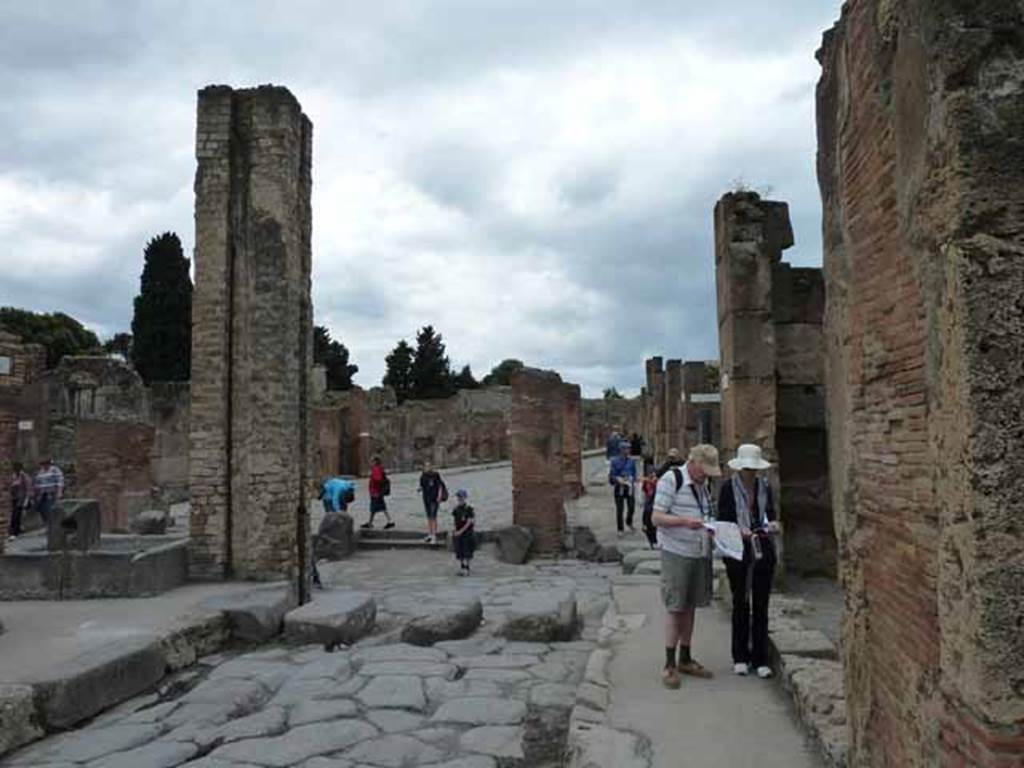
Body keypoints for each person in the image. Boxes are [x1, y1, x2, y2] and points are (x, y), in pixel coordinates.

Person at [652, 443, 721, 689]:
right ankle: (669, 664)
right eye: (705, 470)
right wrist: (684, 522)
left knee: (691, 606)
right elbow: (656, 517)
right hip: (676, 552)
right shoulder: (672, 480)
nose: (706, 476)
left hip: (699, 552)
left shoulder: (703, 485)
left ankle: (686, 657)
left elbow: (707, 514)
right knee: (675, 607)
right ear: (693, 463)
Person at [716, 443, 780, 679]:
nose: (750, 473)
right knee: (741, 602)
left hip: (762, 547)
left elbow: (771, 514)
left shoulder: (765, 487)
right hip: (738, 550)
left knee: (761, 604)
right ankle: (740, 656)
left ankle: (760, 658)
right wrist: (739, 531)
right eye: (747, 469)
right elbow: (722, 522)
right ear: (740, 468)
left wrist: (773, 524)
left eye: (754, 469)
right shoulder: (727, 489)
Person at [608, 440, 637, 533]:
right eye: (625, 448)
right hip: (619, 486)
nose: (627, 450)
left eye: (628, 448)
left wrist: (634, 479)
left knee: (631, 506)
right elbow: (611, 475)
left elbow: (634, 473)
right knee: (620, 509)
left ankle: (629, 521)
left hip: (629, 486)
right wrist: (617, 479)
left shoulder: (632, 461)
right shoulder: (615, 461)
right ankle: (620, 528)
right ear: (621, 450)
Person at [362, 456, 395, 530]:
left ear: (375, 462)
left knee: (378, 508)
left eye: (372, 461)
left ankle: (389, 521)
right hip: (377, 492)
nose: (370, 463)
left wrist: (373, 479)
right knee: (376, 508)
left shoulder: (376, 469)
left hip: (376, 492)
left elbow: (378, 479)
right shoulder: (379, 469)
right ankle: (370, 523)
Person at [418, 461, 447, 544]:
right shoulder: (423, 476)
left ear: (431, 467)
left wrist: (439, 496)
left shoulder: (435, 475)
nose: (427, 468)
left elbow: (440, 486)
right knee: (429, 517)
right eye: (425, 466)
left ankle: (434, 535)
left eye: (428, 466)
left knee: (433, 516)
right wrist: (420, 489)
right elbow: (422, 486)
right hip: (426, 498)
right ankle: (430, 534)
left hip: (434, 499)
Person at [32, 456, 64, 528]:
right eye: (42, 464)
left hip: (52, 492)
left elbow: (60, 481)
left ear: (49, 463)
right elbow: (37, 483)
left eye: (46, 464)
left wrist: (59, 492)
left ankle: (53, 525)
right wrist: (35, 493)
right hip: (43, 493)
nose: (44, 465)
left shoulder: (55, 470)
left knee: (50, 509)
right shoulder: (41, 471)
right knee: (40, 508)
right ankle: (47, 523)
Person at [451, 489, 476, 575]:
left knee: (467, 551)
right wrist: (455, 530)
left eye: (461, 497)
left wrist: (461, 531)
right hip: (459, 532)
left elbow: (470, 522)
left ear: (465, 497)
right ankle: (462, 566)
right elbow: (455, 521)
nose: (459, 498)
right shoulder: (456, 509)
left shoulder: (469, 509)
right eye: (458, 497)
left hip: (467, 533)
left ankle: (467, 567)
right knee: (459, 551)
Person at [9, 462, 31, 539]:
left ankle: (14, 532)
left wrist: (26, 500)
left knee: (16, 515)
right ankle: (15, 531)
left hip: (21, 499)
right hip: (14, 498)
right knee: (14, 515)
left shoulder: (24, 477)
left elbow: (28, 489)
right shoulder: (13, 476)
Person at [640, 464, 659, 548]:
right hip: (648, 503)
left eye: (653, 473)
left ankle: (655, 540)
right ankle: (651, 541)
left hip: (656, 503)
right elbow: (642, 492)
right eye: (650, 473)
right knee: (647, 522)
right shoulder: (645, 482)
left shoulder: (658, 482)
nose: (652, 475)